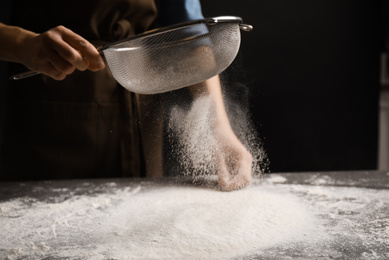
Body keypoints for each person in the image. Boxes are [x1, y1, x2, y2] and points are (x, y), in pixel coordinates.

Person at [0, 0, 253, 191]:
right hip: (54, 98)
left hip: (140, 94)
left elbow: (191, 33)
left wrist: (217, 126)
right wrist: (23, 44)